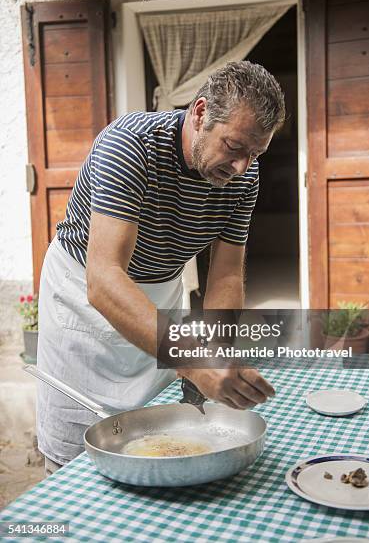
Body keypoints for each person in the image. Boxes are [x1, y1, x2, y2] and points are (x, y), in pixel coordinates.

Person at [37, 60, 285, 475]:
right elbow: (104, 279)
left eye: (255, 153)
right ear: (201, 112)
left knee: (152, 438)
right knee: (76, 458)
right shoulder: (129, 145)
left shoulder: (245, 174)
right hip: (83, 295)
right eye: (235, 146)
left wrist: (216, 352)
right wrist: (192, 361)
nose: (242, 166)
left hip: (158, 295)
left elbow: (224, 275)